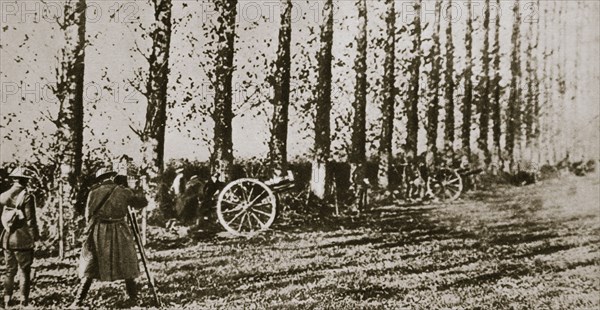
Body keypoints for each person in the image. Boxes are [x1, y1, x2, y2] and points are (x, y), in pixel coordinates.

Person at [71, 166, 147, 308]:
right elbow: (141, 203)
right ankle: (134, 298)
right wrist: (137, 188)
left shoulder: (93, 192)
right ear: (112, 177)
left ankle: (78, 301)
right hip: (120, 230)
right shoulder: (123, 191)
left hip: (98, 230)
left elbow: (88, 215)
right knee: (126, 260)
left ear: (100, 178)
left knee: (91, 264)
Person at [0, 167, 39, 308]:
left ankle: (7, 300)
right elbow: (30, 221)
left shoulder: (3, 196)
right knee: (24, 270)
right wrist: (36, 238)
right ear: (25, 180)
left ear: (14, 179)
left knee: (9, 270)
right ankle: (24, 301)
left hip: (6, 238)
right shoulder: (28, 196)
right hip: (22, 239)